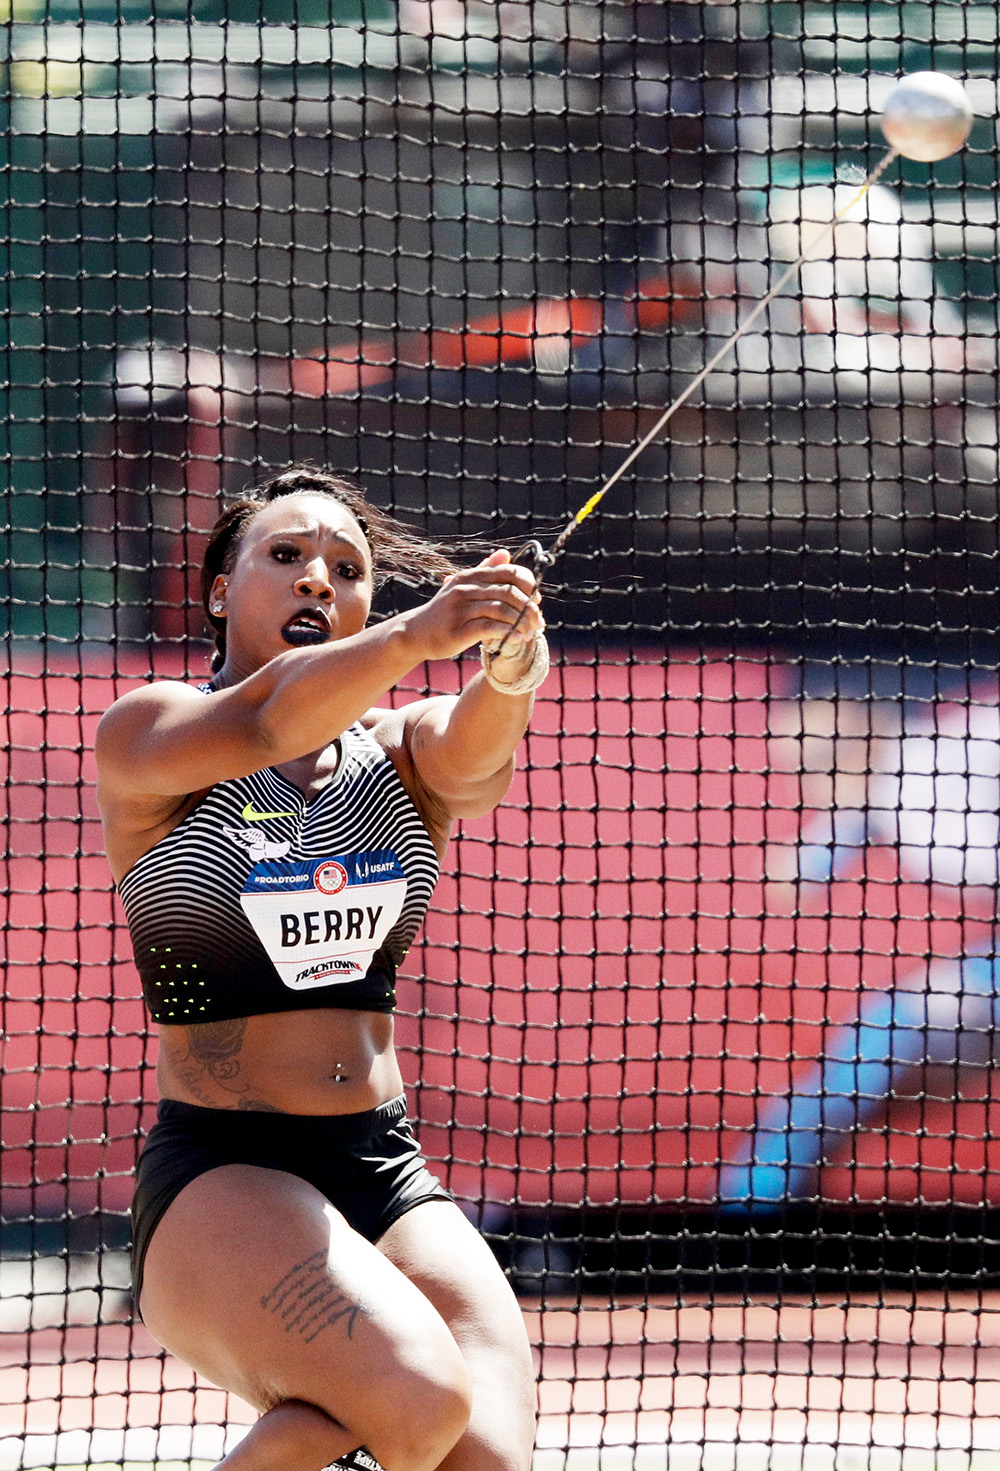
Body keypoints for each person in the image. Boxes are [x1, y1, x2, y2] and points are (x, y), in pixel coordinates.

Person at [95, 465, 549, 1471]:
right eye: (287, 555)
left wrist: (511, 670)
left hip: (383, 1168)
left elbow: (474, 757)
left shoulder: (395, 749)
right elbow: (266, 723)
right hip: (221, 1176)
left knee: (484, 1457)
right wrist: (423, 634)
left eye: (347, 568)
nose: (317, 580)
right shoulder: (150, 728)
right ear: (220, 588)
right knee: (416, 1394)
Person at [720, 686, 1000, 1208]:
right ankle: (754, 1218)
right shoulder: (890, 790)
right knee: (852, 1080)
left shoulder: (936, 767)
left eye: (813, 764)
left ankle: (747, 1224)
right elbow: (801, 868)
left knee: (870, 1051)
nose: (808, 784)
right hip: (981, 983)